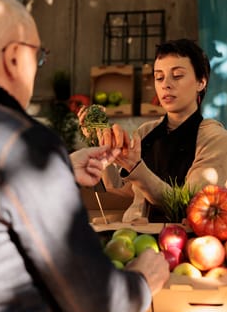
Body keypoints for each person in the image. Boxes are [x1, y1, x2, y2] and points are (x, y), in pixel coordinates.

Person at [0, 0, 170, 312]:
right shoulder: (23, 143)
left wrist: (62, 170)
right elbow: (94, 302)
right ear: (14, 57)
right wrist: (142, 282)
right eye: (38, 57)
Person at [78, 38, 227, 224]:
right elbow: (126, 191)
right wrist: (101, 144)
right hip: (134, 236)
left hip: (180, 242)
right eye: (159, 77)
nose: (166, 84)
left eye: (178, 75)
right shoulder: (147, 131)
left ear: (201, 82)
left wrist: (136, 168)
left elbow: (191, 205)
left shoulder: (214, 138)